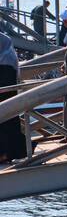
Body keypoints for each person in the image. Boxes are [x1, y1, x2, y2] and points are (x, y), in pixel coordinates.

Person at [0, 34, 23, 163]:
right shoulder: (6, 56)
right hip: (6, 100)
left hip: (5, 99)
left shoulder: (6, 61)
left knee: (6, 127)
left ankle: (5, 154)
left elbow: (5, 84)